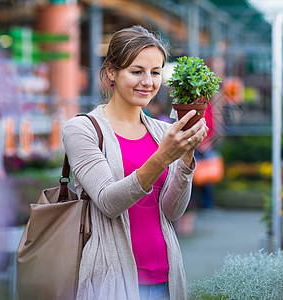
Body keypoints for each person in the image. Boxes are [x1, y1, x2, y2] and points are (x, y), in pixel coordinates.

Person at [62, 25, 208, 300]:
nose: (148, 82)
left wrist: (187, 156)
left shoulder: (162, 131)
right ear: (111, 73)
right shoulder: (82, 129)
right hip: (111, 278)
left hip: (166, 277)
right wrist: (163, 157)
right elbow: (108, 201)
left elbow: (172, 211)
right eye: (137, 71)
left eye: (155, 73)